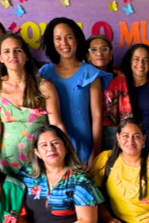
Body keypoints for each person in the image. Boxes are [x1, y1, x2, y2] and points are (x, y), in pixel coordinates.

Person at [0, 33, 64, 177]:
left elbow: (56, 125)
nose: (12, 55)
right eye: (6, 51)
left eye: (18, 50)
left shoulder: (44, 87)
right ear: (0, 57)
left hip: (41, 162)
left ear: (26, 56)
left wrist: (67, 159)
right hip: (5, 166)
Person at [39, 18, 112, 169]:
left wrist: (95, 155)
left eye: (69, 37)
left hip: (83, 148)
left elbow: (97, 117)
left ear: (77, 40)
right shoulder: (44, 73)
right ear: (52, 42)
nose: (64, 43)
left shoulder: (89, 73)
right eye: (58, 38)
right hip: (51, 150)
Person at [120, 44, 149, 159]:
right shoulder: (121, 86)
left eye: (145, 60)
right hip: (128, 144)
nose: (141, 64)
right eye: (137, 59)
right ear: (130, 62)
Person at [88, 35, 133, 152]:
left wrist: (126, 135)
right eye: (94, 50)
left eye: (104, 49)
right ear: (87, 56)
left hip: (111, 130)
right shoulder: (82, 77)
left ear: (110, 55)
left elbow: (125, 111)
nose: (99, 54)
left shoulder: (119, 77)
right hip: (86, 128)